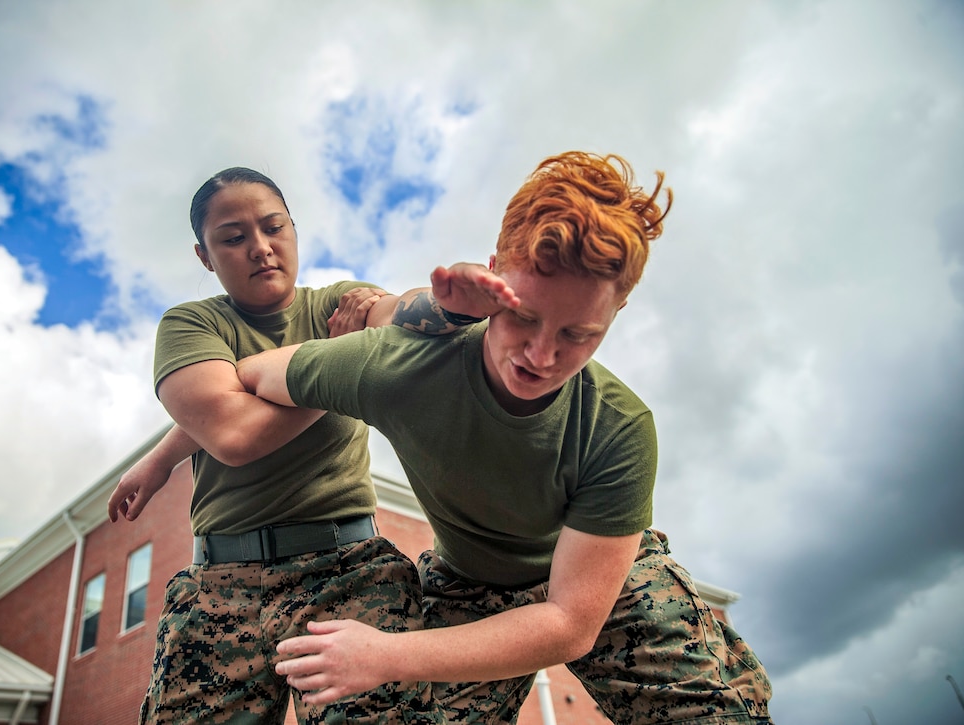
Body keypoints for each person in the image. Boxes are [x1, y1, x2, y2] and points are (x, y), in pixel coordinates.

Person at [235, 151, 774, 725]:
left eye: (577, 334)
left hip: (600, 583)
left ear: (616, 312)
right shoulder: (398, 367)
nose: (541, 356)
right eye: (524, 317)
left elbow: (568, 622)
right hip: (471, 582)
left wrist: (387, 653)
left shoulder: (618, 426)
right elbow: (251, 375)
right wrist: (167, 459)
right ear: (493, 277)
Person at [105, 166, 510, 725]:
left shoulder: (338, 303)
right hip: (220, 586)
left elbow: (403, 314)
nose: (260, 248)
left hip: (347, 574)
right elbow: (234, 434)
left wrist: (455, 297)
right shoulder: (191, 325)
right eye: (233, 237)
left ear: (294, 229)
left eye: (274, 227)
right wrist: (343, 362)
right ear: (204, 256)